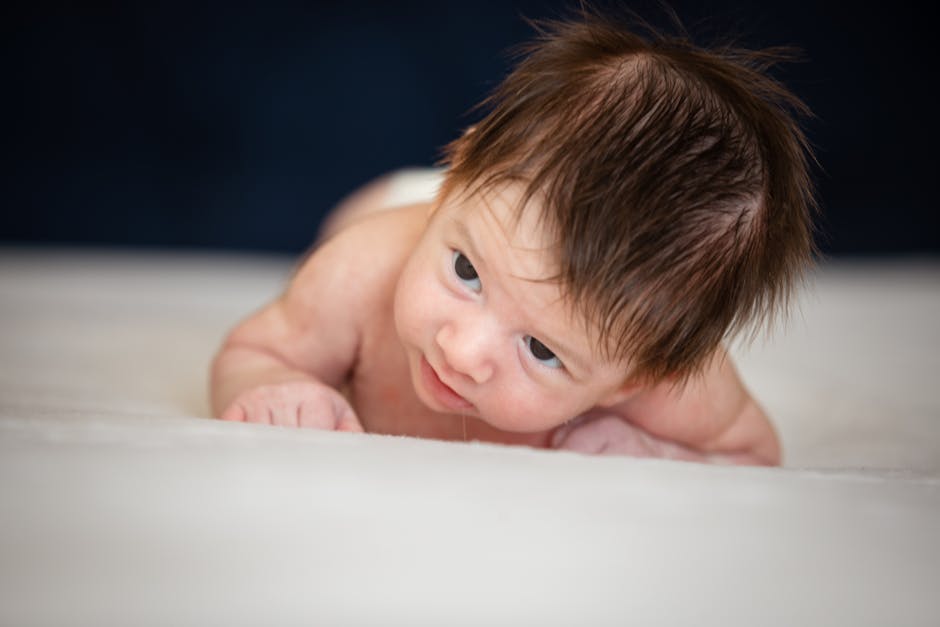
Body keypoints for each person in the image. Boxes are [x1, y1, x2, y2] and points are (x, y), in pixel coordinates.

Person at [210, 8, 817, 465]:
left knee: (502, 238)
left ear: (634, 378)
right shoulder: (362, 270)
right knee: (343, 242)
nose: (464, 353)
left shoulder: (664, 368)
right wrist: (273, 386)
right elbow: (256, 351)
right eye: (466, 275)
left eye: (543, 351)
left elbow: (752, 454)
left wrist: (656, 451)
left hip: (477, 216)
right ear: (459, 170)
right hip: (403, 207)